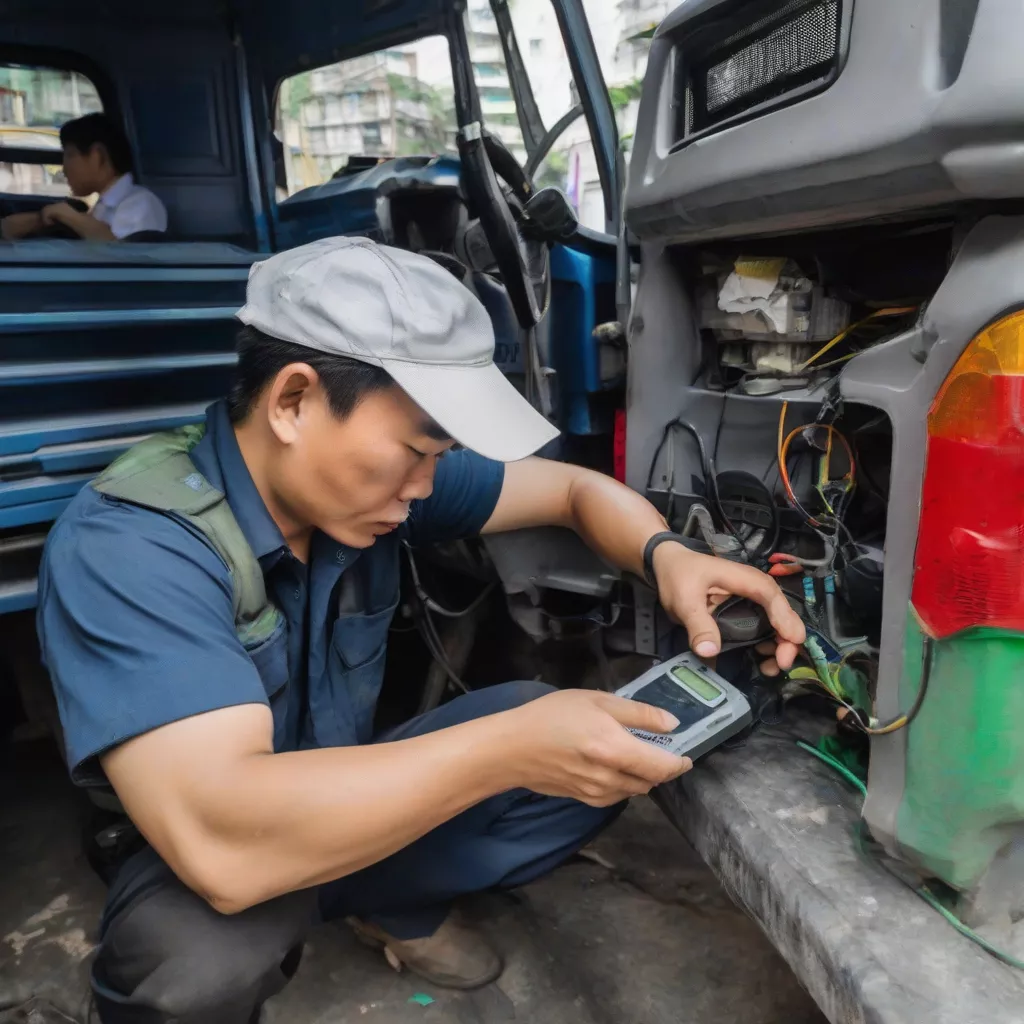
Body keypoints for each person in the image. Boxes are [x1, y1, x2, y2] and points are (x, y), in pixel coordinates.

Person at [37, 236, 805, 1023]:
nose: (425, 486)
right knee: (189, 968)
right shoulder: (132, 546)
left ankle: (377, 899)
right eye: (415, 452)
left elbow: (574, 492)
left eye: (441, 455)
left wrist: (666, 555)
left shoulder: (370, 482)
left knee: (605, 750)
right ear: (293, 401)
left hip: (351, 794)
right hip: (218, 847)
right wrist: (506, 750)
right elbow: (223, 847)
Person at [1, 112, 167, 241]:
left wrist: (68, 215)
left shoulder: (141, 204)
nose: (64, 169)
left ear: (97, 156)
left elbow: (122, 256)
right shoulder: (104, 206)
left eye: (70, 155)